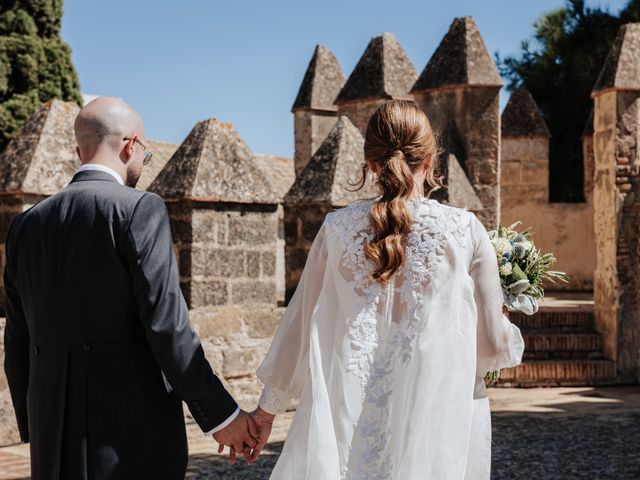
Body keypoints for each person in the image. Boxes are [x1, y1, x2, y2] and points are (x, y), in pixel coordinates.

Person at [251, 100, 525, 479]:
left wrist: (265, 413)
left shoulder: (336, 229)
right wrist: (505, 319)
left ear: (371, 164)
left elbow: (297, 329)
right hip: (433, 427)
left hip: (348, 427)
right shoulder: (465, 230)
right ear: (431, 161)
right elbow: (492, 348)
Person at [3, 97, 258, 479]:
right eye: (145, 153)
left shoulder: (25, 226)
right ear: (130, 145)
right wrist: (223, 414)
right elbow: (168, 327)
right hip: (129, 438)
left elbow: (17, 341)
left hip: (52, 441)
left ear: (79, 151)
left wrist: (36, 424)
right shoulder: (138, 209)